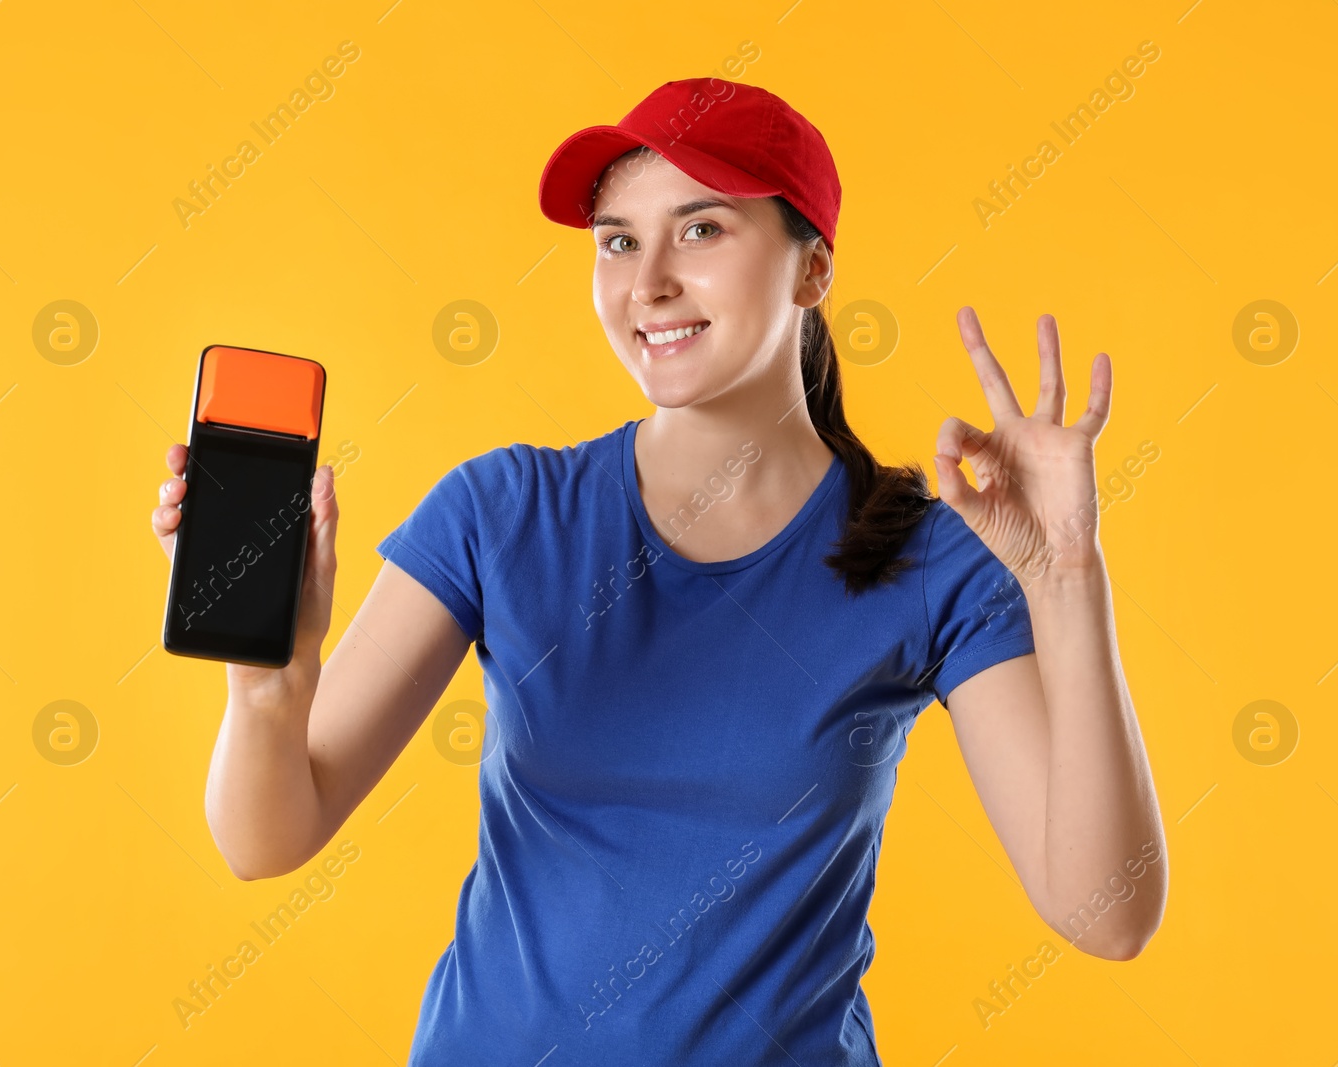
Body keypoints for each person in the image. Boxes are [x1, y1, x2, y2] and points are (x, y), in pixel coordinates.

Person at [150, 77, 1165, 1066]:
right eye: (618, 240)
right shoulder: (501, 512)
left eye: (703, 228)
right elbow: (264, 838)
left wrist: (1066, 572)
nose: (648, 283)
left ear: (812, 268)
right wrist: (268, 686)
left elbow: (1106, 912)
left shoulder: (927, 553)